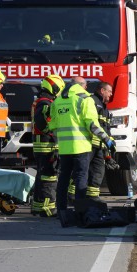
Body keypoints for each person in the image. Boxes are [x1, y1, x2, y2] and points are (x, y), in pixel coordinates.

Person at [50, 81, 115, 227]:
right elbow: (92, 124)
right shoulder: (84, 99)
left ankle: (61, 212)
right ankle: (79, 214)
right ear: (82, 86)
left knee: (63, 180)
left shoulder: (58, 100)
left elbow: (53, 126)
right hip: (82, 147)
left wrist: (59, 143)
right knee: (81, 180)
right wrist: (107, 140)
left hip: (64, 148)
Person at [30, 74, 65, 217]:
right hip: (46, 144)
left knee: (42, 175)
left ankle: (38, 206)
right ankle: (47, 207)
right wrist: (51, 132)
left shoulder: (41, 100)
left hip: (42, 143)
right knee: (49, 175)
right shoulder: (45, 102)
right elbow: (42, 121)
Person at [86, 81, 113, 200]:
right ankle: (73, 198)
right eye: (109, 91)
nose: (111, 94)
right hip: (88, 145)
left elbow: (106, 129)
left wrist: (109, 149)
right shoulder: (92, 102)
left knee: (97, 173)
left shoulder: (104, 107)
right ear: (102, 91)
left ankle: (93, 199)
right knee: (82, 172)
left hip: (99, 147)